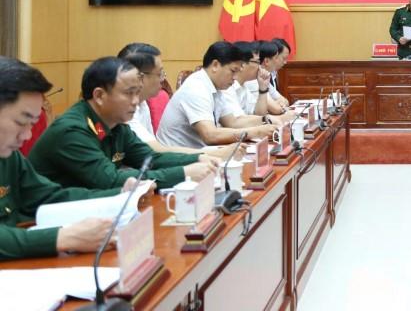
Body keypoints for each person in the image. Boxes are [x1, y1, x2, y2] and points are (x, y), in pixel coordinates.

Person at [0, 57, 140, 260]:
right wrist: (62, 237)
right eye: (21, 121)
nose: (27, 135)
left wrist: (121, 196)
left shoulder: (8, 156)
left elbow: (49, 196)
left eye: (32, 123)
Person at [28, 57, 217, 190]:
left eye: (137, 92)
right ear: (99, 95)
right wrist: (184, 173)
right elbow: (110, 180)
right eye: (129, 93)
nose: (136, 101)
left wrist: (198, 159)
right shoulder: (72, 130)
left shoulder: (116, 124)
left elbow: (149, 159)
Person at [118, 43, 236, 160]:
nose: (162, 79)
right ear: (140, 78)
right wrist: (211, 154)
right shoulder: (124, 109)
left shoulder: (142, 103)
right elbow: (154, 150)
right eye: (160, 74)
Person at [156, 41, 277, 148]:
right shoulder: (196, 88)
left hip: (202, 155)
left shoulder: (215, 86)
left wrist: (265, 120)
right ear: (215, 65)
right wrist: (256, 132)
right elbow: (210, 135)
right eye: (233, 71)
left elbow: (233, 122)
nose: (235, 78)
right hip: (179, 161)